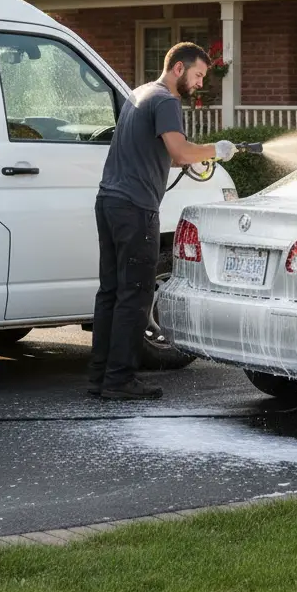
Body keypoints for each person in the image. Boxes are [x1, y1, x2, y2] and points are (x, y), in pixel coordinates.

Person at [87, 42, 237, 401]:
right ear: (179, 69)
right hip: (136, 208)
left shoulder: (141, 93)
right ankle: (120, 379)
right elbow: (180, 152)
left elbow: (165, 156)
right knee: (136, 295)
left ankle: (99, 377)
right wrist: (215, 149)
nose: (201, 83)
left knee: (110, 292)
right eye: (199, 75)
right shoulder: (167, 101)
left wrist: (193, 156)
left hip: (109, 202)